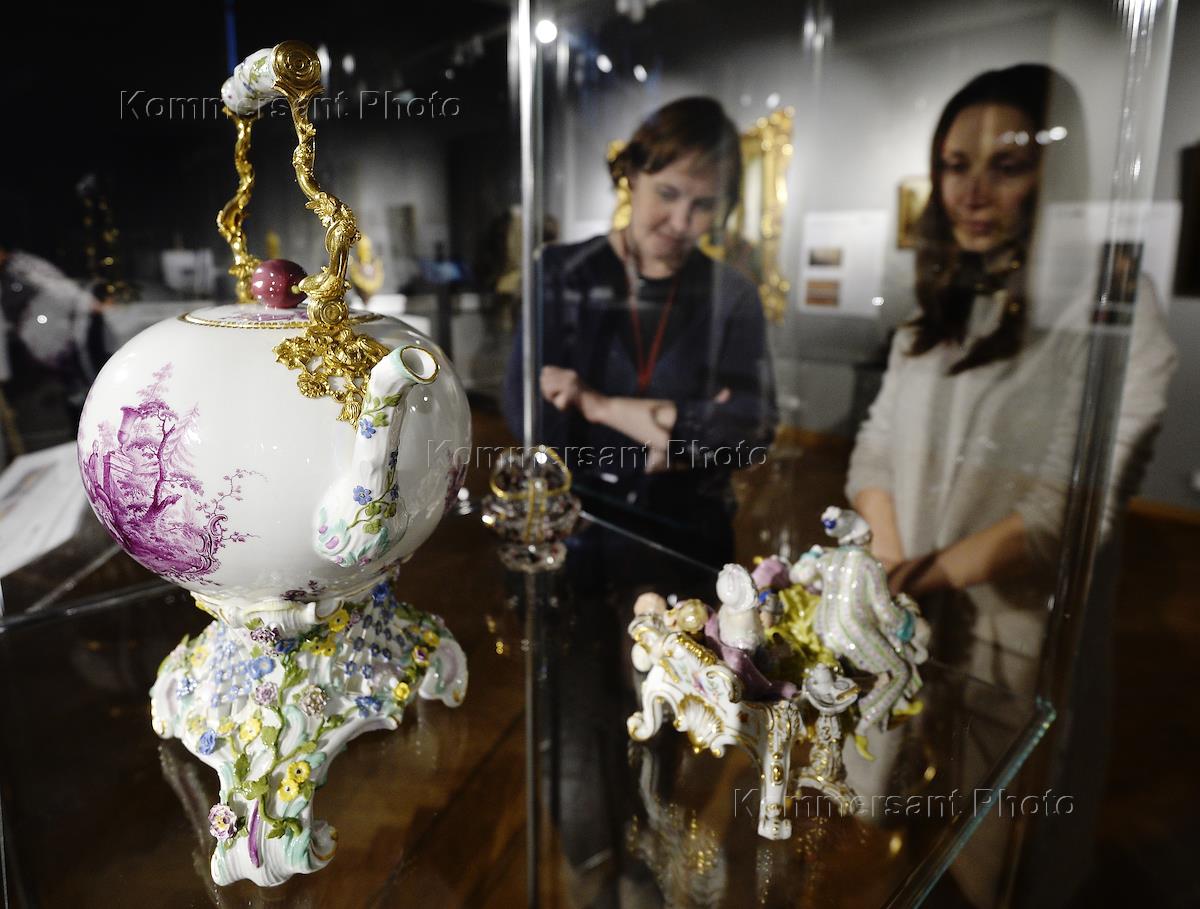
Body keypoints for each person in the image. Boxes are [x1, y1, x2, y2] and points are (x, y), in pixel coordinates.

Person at [845, 65, 1176, 907]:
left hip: (1013, 636)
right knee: (888, 846)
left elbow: (1070, 505)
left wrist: (916, 578)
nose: (973, 192)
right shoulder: (936, 312)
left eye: (1009, 165)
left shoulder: (1113, 308)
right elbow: (875, 450)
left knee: (990, 863)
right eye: (956, 166)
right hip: (911, 617)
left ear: (1055, 174)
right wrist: (896, 574)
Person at [504, 96, 777, 566]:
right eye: (668, 194)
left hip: (687, 538)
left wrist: (596, 404)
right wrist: (683, 431)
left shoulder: (733, 293)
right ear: (632, 176)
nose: (682, 222)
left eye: (704, 205)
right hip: (578, 530)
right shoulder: (562, 271)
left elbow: (750, 432)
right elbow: (529, 414)